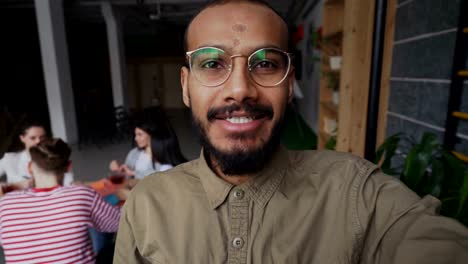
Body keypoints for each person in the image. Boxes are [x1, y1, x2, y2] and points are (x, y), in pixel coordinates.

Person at [114, 1, 468, 263]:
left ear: (289, 83)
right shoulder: (147, 204)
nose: (240, 89)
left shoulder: (355, 191)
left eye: (266, 63)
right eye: (212, 63)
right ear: (186, 86)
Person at [0, 138, 121, 263]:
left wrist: (16, 186)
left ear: (30, 168)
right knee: (112, 250)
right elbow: (120, 223)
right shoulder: (81, 194)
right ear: (68, 167)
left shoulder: (5, 204)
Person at [0, 119, 74, 191]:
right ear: (22, 138)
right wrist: (14, 186)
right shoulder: (9, 159)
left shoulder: (56, 158)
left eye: (42, 137)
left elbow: (68, 186)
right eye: (33, 138)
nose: (38, 141)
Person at [109, 115, 187, 179]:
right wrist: (119, 169)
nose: (135, 138)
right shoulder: (134, 153)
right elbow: (125, 177)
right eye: (135, 135)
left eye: (140, 134)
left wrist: (133, 173)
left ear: (152, 136)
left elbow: (156, 182)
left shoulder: (163, 162)